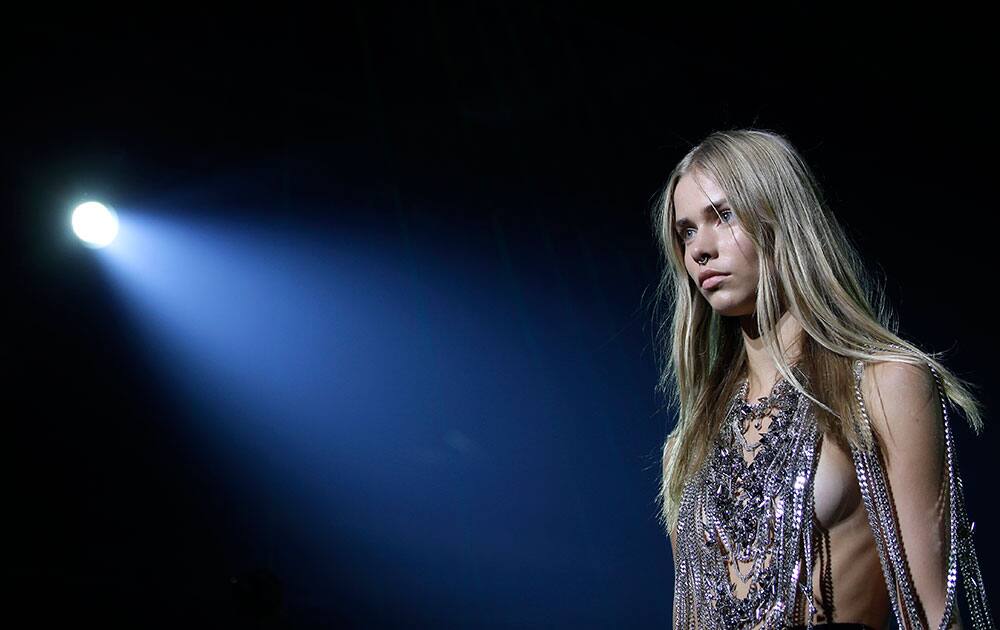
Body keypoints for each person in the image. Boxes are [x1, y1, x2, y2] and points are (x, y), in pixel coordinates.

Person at [647, 128, 994, 629]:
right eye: (686, 232)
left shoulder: (882, 384)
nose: (700, 249)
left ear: (778, 216)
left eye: (721, 216)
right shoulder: (690, 443)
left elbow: (940, 612)